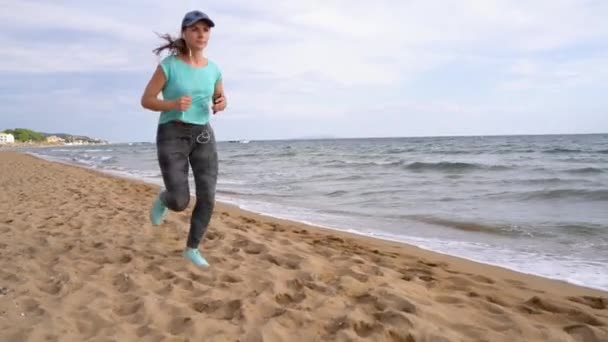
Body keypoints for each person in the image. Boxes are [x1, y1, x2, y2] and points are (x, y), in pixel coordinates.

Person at [140, 10, 227, 267]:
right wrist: (172, 103)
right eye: (195, 29)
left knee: (208, 196)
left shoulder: (214, 69)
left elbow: (220, 97)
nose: (201, 34)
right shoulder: (169, 65)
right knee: (180, 201)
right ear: (185, 34)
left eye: (205, 30)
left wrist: (220, 104)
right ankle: (164, 199)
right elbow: (147, 100)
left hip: (202, 134)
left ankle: (192, 248)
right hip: (172, 133)